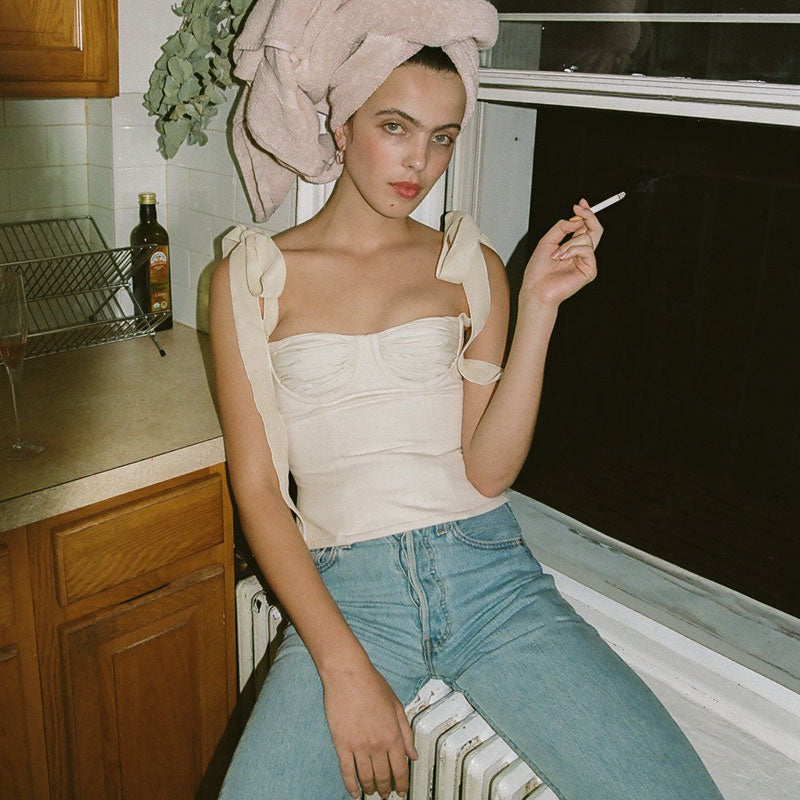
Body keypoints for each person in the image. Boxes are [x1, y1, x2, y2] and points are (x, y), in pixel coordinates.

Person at [210, 3, 725, 799]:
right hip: (350, 595)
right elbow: (258, 491)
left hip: (494, 582)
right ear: (343, 125)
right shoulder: (249, 276)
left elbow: (489, 471)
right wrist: (343, 670)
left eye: (443, 137)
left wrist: (539, 306)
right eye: (395, 127)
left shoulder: (472, 265)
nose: (420, 161)